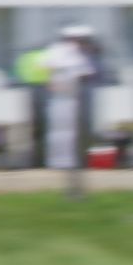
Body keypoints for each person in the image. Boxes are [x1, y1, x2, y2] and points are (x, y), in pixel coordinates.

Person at [40, 25, 98, 170]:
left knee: (70, 132)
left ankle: (69, 161)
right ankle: (56, 161)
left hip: (72, 96)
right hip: (57, 96)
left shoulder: (79, 55)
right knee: (57, 131)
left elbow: (86, 73)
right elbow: (47, 66)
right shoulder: (57, 51)